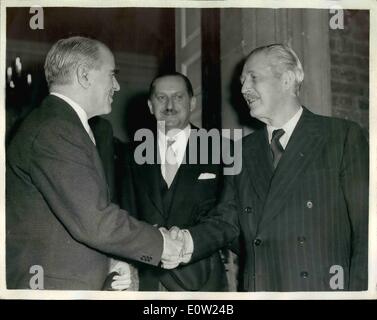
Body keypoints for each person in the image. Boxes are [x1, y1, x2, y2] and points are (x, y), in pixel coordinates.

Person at [179, 44, 369, 291]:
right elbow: (226, 221)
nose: (244, 88)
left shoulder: (341, 136)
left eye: (253, 78)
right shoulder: (241, 151)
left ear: (287, 80)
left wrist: (360, 294)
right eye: (243, 81)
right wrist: (184, 242)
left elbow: (367, 230)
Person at [6, 36, 182, 290]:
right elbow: (95, 221)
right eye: (111, 74)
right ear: (85, 76)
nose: (117, 85)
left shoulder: (61, 124)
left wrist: (109, 260)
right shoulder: (56, 129)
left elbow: (66, 219)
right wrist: (162, 244)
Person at [115, 72, 229, 291]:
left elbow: (226, 219)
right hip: (145, 281)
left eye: (178, 97)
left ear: (192, 102)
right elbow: (125, 214)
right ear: (150, 106)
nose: (169, 106)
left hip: (201, 283)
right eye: (161, 98)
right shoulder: (130, 154)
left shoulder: (222, 150)